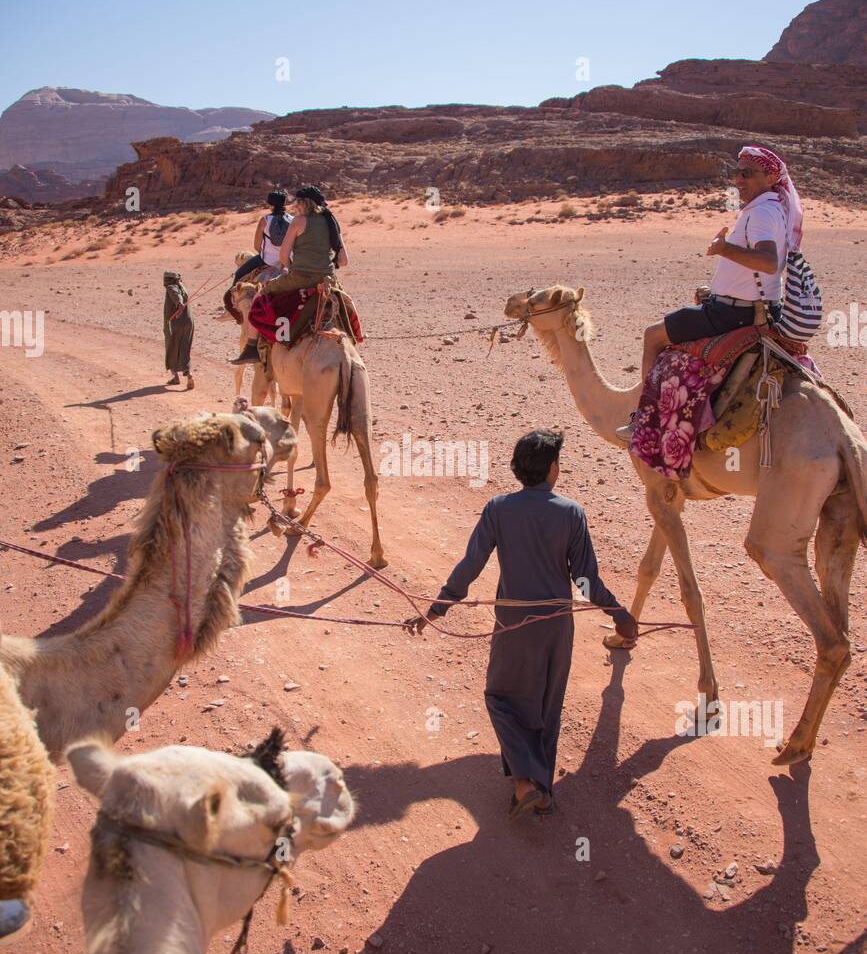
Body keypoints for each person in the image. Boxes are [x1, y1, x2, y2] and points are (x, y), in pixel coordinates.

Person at [404, 431, 638, 816]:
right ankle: (542, 790)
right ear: (550, 468)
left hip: (514, 625)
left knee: (502, 697)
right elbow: (585, 581)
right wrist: (620, 616)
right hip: (557, 627)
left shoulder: (498, 509)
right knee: (548, 703)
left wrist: (436, 609)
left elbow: (471, 566)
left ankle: (525, 782)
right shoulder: (571, 512)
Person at [618, 145, 800, 439]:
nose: (739, 180)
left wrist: (724, 249)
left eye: (747, 173)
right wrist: (714, 290)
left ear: (769, 177)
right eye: (736, 173)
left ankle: (645, 419)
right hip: (748, 307)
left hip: (732, 314)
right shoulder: (769, 208)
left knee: (653, 336)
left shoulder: (763, 213)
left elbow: (767, 262)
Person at [231, 184, 349, 362]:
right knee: (345, 302)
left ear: (303, 203)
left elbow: (283, 256)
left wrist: (295, 268)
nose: (296, 206)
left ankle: (252, 347)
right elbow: (344, 261)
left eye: (298, 203)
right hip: (328, 280)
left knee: (258, 297)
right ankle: (353, 336)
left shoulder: (299, 221)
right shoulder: (331, 221)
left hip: (299, 278)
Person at [232, 189, 293, 288]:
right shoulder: (292, 219)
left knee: (239, 274)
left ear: (271, 206)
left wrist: (266, 254)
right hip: (288, 261)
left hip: (267, 260)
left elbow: (256, 246)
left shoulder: (265, 220)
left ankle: (229, 301)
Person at [163, 271, 194, 389]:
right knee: (185, 349)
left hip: (175, 324)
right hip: (188, 323)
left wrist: (179, 304)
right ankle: (189, 375)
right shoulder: (183, 287)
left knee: (172, 349)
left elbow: (175, 294)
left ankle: (176, 377)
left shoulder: (171, 287)